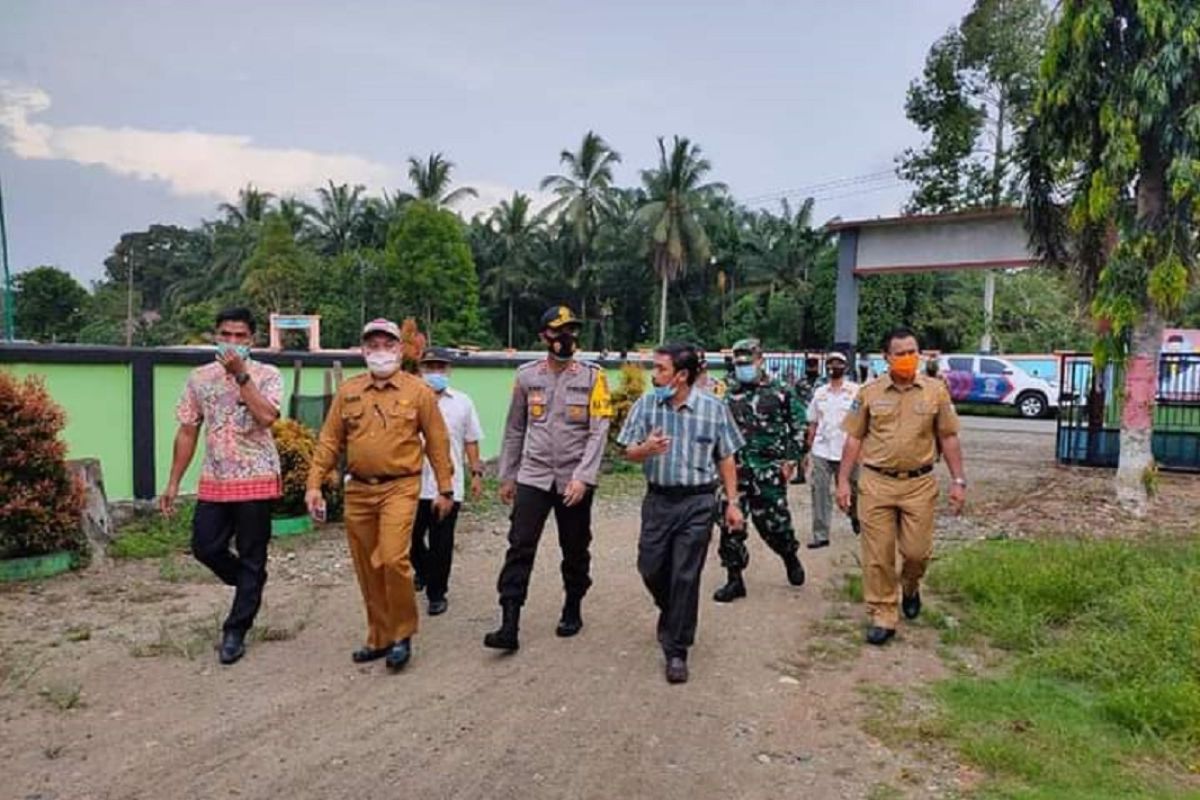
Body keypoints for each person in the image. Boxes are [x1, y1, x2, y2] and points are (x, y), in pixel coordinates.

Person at [305, 319, 454, 671]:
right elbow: (329, 441)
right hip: (358, 489)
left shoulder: (418, 392)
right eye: (372, 345)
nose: (380, 351)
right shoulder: (349, 391)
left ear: (400, 350)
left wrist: (446, 488)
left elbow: (437, 441)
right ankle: (379, 636)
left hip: (400, 487)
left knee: (391, 559)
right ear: (363, 351)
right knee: (366, 566)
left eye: (387, 344)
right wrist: (313, 483)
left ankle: (402, 634)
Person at [483, 305, 613, 652]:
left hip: (574, 478)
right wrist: (507, 475)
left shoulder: (592, 377)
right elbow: (514, 429)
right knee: (520, 545)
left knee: (574, 546)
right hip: (534, 475)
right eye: (559, 332)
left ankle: (573, 605)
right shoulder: (527, 377)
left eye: (571, 331)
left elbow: (598, 431)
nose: (567, 338)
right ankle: (509, 623)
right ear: (544, 337)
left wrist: (583, 477)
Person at [160, 307, 283, 666]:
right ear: (215, 336)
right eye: (226, 335)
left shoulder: (268, 374)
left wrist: (242, 376)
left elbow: (268, 418)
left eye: (240, 336)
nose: (232, 342)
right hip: (215, 478)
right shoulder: (199, 378)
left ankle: (236, 630)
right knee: (205, 546)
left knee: (251, 552)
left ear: (252, 340)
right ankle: (250, 581)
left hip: (256, 477)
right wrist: (172, 482)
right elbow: (187, 429)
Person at [617, 342, 745, 684]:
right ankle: (673, 612)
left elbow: (726, 456)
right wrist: (645, 450)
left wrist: (732, 503)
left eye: (660, 369)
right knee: (650, 567)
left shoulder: (713, 409)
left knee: (685, 575)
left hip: (698, 502)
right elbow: (626, 451)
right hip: (659, 501)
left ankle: (677, 650)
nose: (654, 375)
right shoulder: (646, 406)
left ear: (682, 376)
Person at [837, 327, 967, 646]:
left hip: (919, 484)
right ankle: (883, 613)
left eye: (913, 352)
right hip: (876, 483)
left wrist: (959, 481)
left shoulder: (936, 391)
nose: (909, 358)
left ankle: (910, 586)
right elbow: (854, 438)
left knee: (916, 553)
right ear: (887, 358)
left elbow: (948, 437)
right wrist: (842, 481)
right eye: (901, 353)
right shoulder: (869, 393)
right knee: (878, 555)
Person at [712, 338, 807, 603]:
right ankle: (734, 579)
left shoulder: (781, 391)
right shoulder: (727, 394)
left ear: (760, 360)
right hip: (735, 472)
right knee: (730, 524)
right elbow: (716, 431)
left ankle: (789, 555)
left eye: (748, 362)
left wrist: (791, 458)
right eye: (739, 363)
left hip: (768, 471)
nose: (743, 367)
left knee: (775, 526)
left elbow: (800, 424)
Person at [410, 347, 484, 617]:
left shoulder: (462, 402)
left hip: (448, 484)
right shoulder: (409, 401)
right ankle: (423, 569)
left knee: (442, 542)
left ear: (449, 370)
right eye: (430, 367)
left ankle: (437, 593)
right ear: (420, 371)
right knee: (410, 538)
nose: (435, 373)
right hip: (411, 484)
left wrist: (476, 473)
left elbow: (471, 439)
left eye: (440, 367)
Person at [803, 351, 860, 548]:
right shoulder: (820, 393)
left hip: (849, 451)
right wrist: (808, 450)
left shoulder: (855, 392)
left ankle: (856, 517)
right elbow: (812, 422)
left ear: (845, 367)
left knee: (855, 490)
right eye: (831, 364)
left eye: (838, 363)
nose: (834, 367)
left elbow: (863, 423)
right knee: (819, 491)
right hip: (822, 449)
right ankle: (821, 534)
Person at [790, 355, 824, 484]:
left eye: (813, 366)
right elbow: (795, 399)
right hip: (804, 418)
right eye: (809, 366)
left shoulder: (823, 382)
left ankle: (820, 474)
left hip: (821, 419)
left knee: (821, 446)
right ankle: (801, 474)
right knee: (802, 447)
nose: (811, 368)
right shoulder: (800, 383)